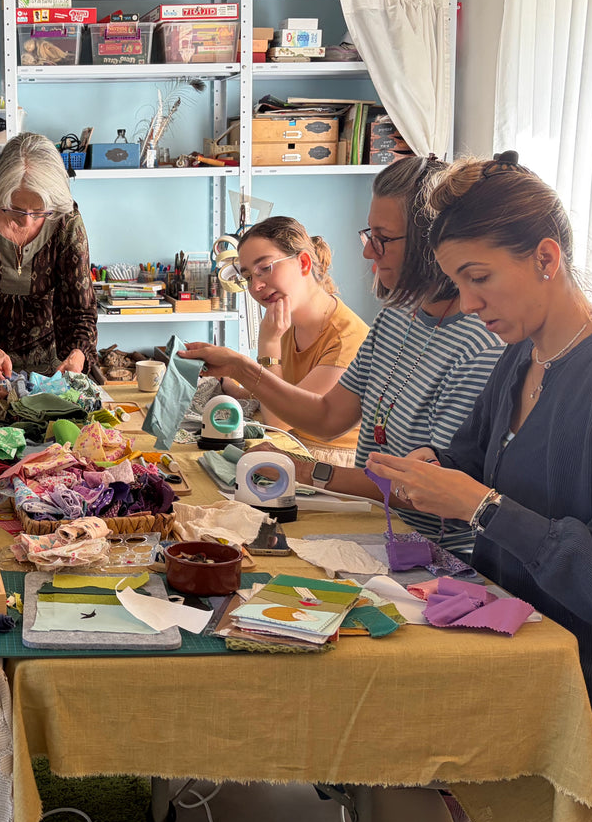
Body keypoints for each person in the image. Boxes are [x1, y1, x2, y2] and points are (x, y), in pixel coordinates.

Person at [367, 153, 592, 822]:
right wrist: (422, 470)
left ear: (546, 257)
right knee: (364, 706)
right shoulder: (521, 361)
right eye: (456, 283)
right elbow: (464, 462)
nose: (467, 304)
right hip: (529, 660)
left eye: (478, 279)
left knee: (385, 749)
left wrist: (479, 506)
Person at [180, 155, 504, 549]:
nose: (370, 254)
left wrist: (309, 471)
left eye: (384, 239)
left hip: (430, 553)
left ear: (432, 241)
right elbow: (329, 415)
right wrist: (242, 369)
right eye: (370, 236)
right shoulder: (396, 320)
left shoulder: (479, 345)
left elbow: (423, 490)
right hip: (381, 528)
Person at [0, 133, 98, 386]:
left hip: (49, 368)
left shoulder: (66, 219)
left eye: (39, 212)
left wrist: (77, 355)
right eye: (15, 208)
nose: (26, 221)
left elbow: (80, 311)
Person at [218, 216, 369, 465]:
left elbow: (279, 421)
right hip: (293, 445)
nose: (256, 286)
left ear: (303, 263)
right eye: (247, 278)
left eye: (265, 268)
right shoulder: (286, 322)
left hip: (327, 460)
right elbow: (279, 392)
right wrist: (229, 385)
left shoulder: (346, 340)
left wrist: (267, 347)